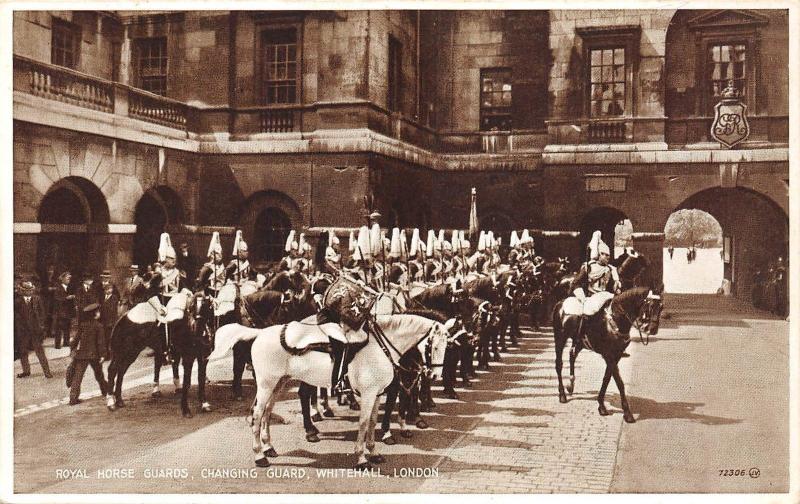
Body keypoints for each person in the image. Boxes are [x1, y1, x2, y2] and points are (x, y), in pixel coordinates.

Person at [570, 230, 621, 342]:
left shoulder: (610, 269)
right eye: (605, 255)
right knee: (584, 316)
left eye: (609, 255)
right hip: (591, 297)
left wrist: (616, 287)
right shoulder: (589, 267)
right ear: (599, 255)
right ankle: (578, 338)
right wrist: (580, 295)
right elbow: (576, 282)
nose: (608, 257)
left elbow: (611, 286)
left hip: (605, 296)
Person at [68, 303, 109, 405]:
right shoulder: (98, 326)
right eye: (98, 312)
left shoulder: (83, 325)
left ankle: (73, 398)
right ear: (95, 314)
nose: (99, 313)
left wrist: (72, 347)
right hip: (94, 355)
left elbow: (76, 339)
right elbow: (101, 342)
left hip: (81, 354)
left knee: (78, 377)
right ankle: (106, 391)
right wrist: (103, 355)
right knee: (99, 374)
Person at [14, 281, 53, 379]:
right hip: (23, 332)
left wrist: (41, 326)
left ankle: (47, 372)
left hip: (36, 331)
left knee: (40, 352)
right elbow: (15, 317)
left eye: (31, 290)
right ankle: (26, 371)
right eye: (27, 290)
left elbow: (42, 313)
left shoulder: (37, 299)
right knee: (23, 352)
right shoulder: (17, 302)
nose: (29, 292)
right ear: (22, 291)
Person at [196, 232, 227, 297]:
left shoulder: (222, 266)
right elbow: (200, 282)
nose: (220, 256)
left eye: (220, 253)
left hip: (221, 292)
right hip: (209, 292)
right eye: (217, 254)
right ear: (212, 255)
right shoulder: (207, 268)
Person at [52, 271, 76, 349]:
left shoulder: (69, 288)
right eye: (67, 278)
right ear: (62, 279)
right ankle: (57, 344)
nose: (69, 280)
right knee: (59, 328)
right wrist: (67, 298)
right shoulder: (58, 288)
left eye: (69, 278)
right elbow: (56, 299)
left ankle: (66, 342)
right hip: (60, 311)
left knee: (67, 327)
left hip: (68, 311)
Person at [99, 281, 119, 360]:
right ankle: (105, 354)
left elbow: (112, 310)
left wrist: (111, 322)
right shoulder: (102, 297)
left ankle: (109, 355)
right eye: (107, 289)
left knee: (109, 338)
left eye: (110, 289)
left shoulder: (114, 298)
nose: (108, 291)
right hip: (103, 321)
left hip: (110, 321)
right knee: (103, 338)